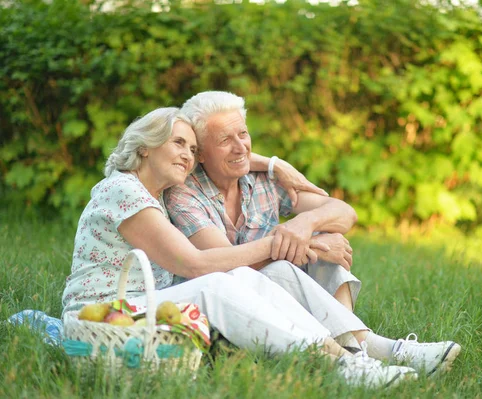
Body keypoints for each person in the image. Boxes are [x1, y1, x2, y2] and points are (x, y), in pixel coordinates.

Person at [61, 107, 418, 387]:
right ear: (144, 147)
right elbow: (197, 265)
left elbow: (224, 156)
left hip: (144, 309)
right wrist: (282, 241)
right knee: (217, 283)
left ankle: (353, 354)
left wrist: (271, 163)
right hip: (102, 316)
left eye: (193, 148)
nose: (188, 155)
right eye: (178, 143)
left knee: (257, 277)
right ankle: (336, 364)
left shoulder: (159, 195)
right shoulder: (122, 190)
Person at [164, 91, 462, 376]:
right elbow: (230, 265)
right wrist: (315, 244)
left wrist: (304, 226)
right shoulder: (184, 193)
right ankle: (378, 350)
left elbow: (345, 212)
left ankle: (354, 348)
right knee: (292, 260)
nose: (240, 146)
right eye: (225, 140)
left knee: (325, 234)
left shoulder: (262, 180)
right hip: (227, 317)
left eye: (243, 134)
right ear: (200, 153)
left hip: (279, 298)